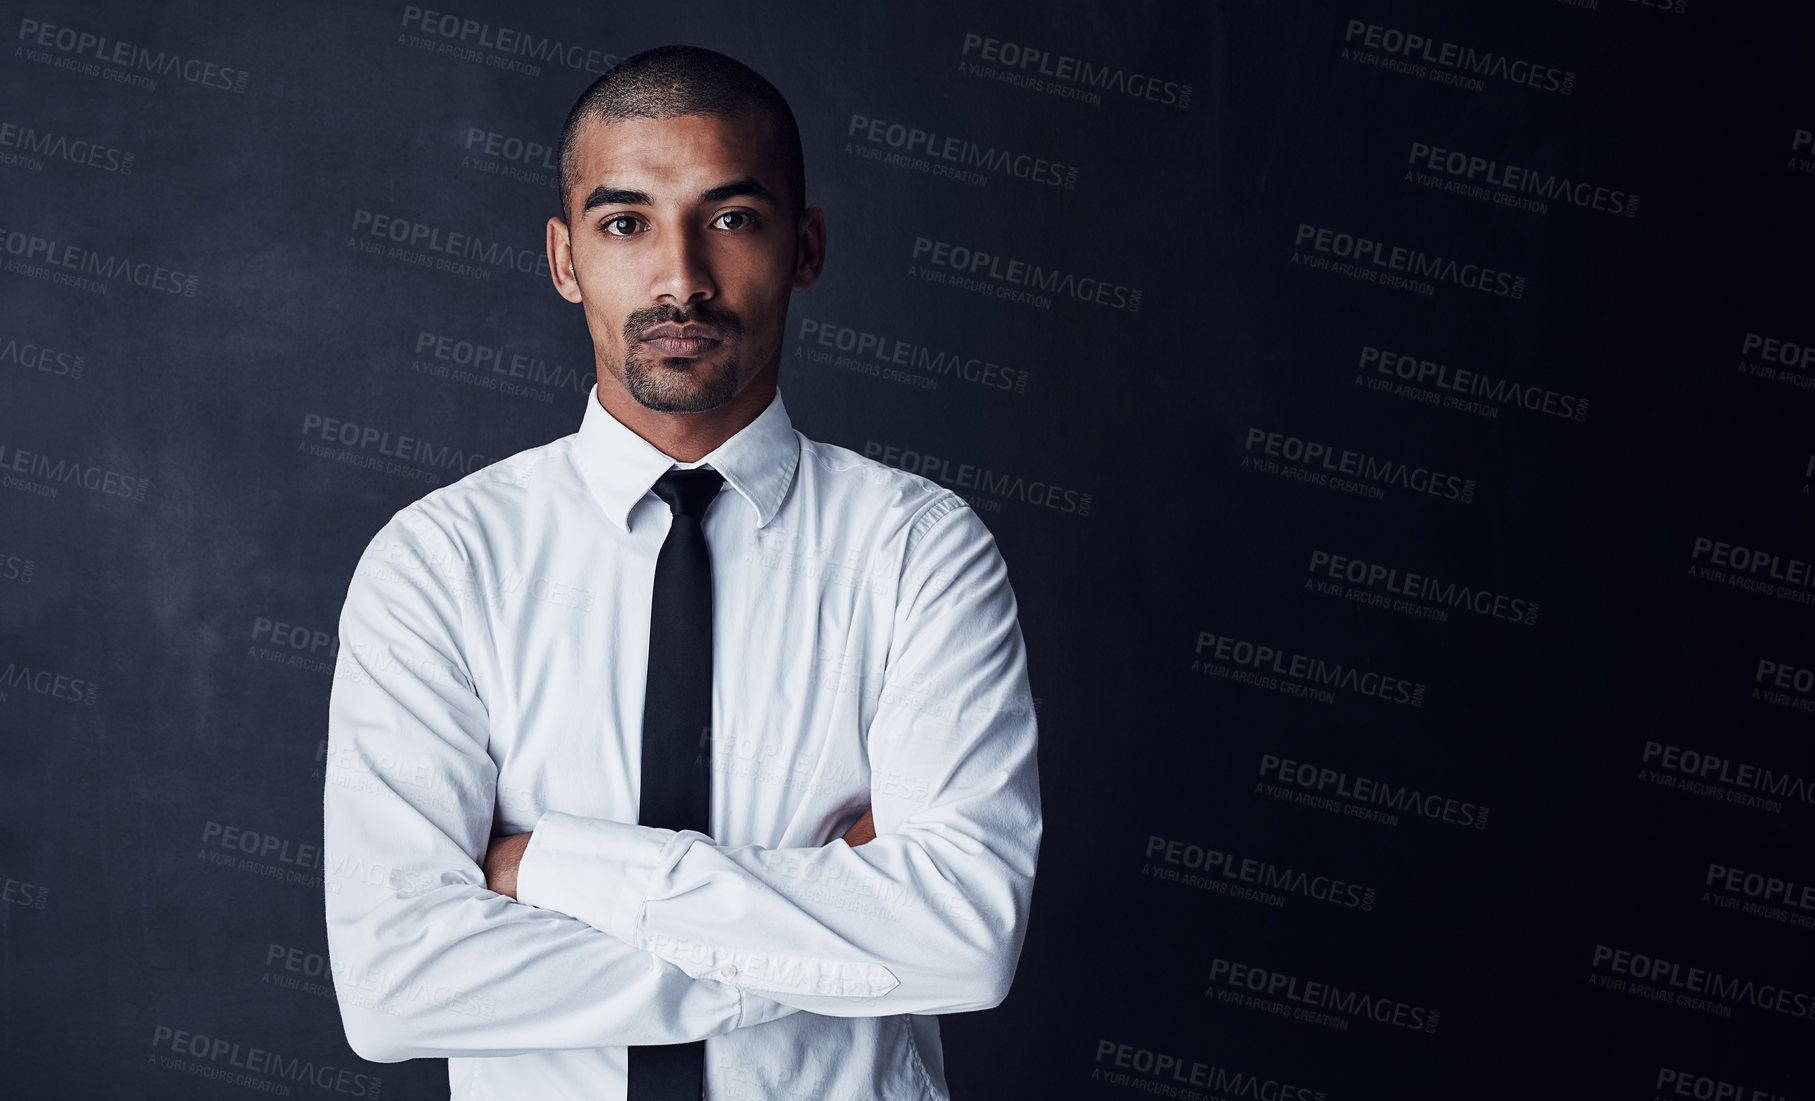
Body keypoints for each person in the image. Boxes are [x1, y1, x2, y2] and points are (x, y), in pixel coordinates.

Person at [322, 44, 1041, 1100]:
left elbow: (965, 944)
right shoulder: (439, 564)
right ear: (566, 260)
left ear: (806, 248)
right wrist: (825, 938)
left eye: (732, 219)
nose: (680, 278)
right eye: (626, 224)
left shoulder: (920, 553)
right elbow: (396, 990)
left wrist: (552, 870)